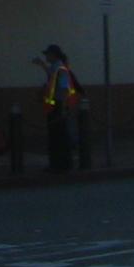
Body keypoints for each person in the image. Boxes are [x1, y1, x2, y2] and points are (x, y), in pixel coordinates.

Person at [37, 43, 81, 171]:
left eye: (48, 54)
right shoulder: (56, 67)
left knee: (58, 136)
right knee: (56, 135)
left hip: (58, 105)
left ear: (53, 55)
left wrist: (61, 106)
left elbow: (63, 87)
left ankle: (61, 164)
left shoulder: (60, 68)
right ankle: (58, 163)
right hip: (55, 104)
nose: (46, 57)